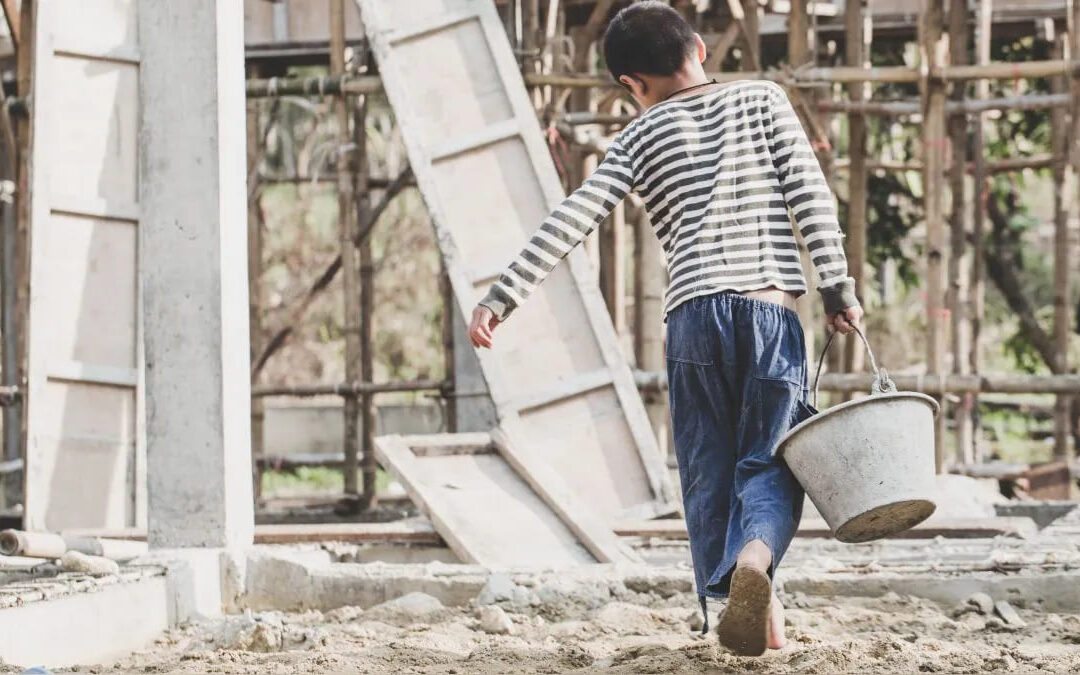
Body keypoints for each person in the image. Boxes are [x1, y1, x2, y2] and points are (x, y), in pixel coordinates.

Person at [468, 1, 862, 656]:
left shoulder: (640, 136)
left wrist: (503, 294)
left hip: (692, 322)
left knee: (709, 472)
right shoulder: (763, 100)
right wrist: (837, 286)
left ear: (632, 84)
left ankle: (748, 622)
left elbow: (574, 215)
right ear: (699, 50)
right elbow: (810, 194)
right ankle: (756, 559)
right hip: (769, 310)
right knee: (769, 461)